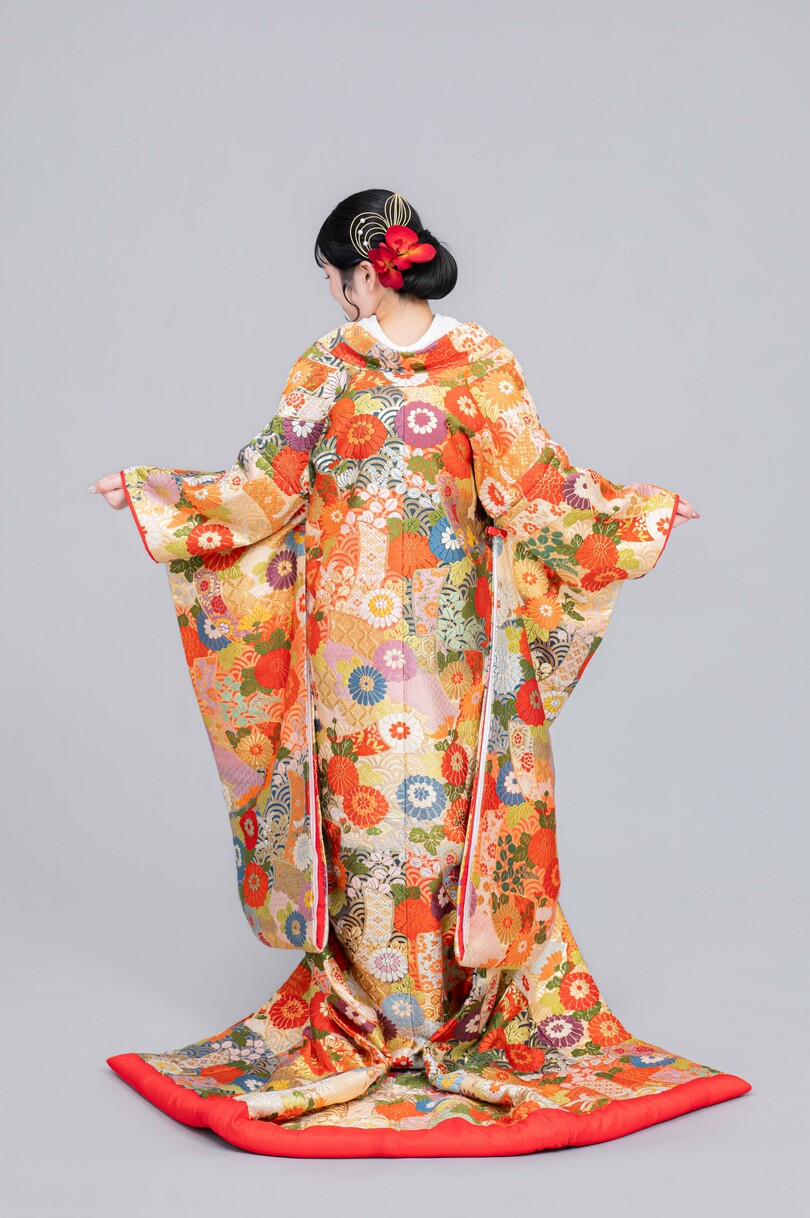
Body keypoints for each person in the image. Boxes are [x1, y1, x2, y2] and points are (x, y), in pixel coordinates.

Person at [91, 189, 749, 1157]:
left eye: (333, 275)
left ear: (366, 273)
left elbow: (534, 484)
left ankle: (452, 1008)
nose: (330, 292)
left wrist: (631, 514)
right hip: (344, 647)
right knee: (363, 823)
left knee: (442, 820)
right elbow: (267, 483)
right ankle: (369, 1005)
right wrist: (161, 498)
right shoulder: (326, 365)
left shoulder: (480, 361)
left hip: (451, 644)